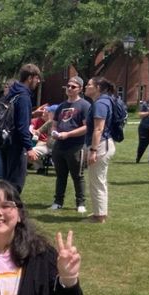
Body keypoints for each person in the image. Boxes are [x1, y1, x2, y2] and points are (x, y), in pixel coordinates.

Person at [49, 76, 89, 213]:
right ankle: (58, 201)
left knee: (77, 176)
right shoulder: (61, 106)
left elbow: (86, 127)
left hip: (76, 146)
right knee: (60, 176)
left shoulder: (84, 105)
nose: (69, 89)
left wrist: (69, 134)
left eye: (73, 87)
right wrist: (54, 132)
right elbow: (54, 125)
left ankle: (80, 203)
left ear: (80, 89)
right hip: (59, 146)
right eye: (68, 86)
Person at [2, 64, 42, 193]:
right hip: (16, 145)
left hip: (5, 142)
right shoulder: (24, 96)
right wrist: (29, 147)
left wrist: (31, 114)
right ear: (30, 78)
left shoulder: (12, 93)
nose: (38, 81)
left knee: (7, 181)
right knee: (16, 182)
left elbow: (13, 117)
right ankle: (12, 209)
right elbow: (22, 126)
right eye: (37, 78)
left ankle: (5, 208)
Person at [84, 76, 117, 223]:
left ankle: (100, 216)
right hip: (103, 144)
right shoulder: (103, 101)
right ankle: (99, 212)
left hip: (101, 145)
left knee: (97, 181)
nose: (86, 87)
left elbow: (98, 129)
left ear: (97, 88)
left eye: (89, 85)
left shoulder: (101, 104)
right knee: (97, 180)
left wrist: (93, 150)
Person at [30, 104, 56, 172]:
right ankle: (40, 168)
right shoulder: (49, 122)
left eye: (49, 112)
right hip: (47, 146)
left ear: (54, 113)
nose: (47, 113)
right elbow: (38, 131)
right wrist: (30, 129)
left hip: (59, 148)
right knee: (32, 151)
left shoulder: (63, 123)